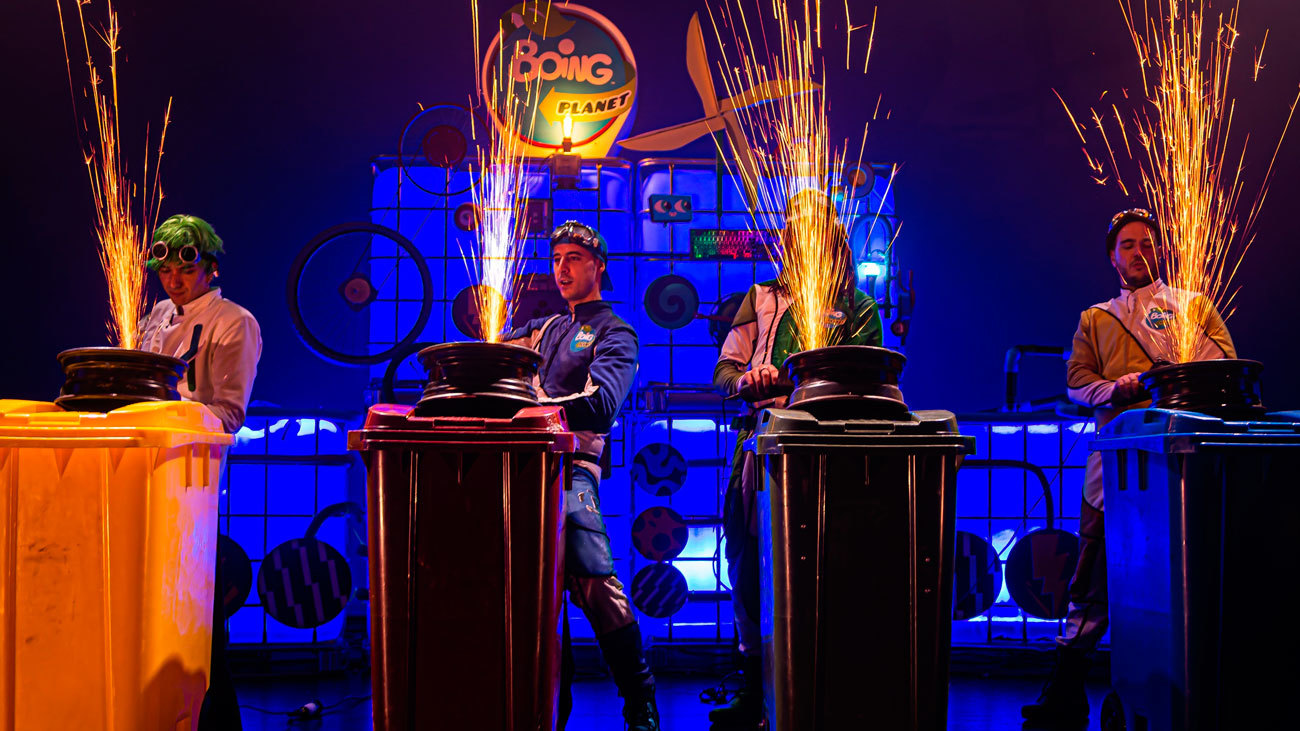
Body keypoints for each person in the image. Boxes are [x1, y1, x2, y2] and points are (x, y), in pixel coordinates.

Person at [1021, 208, 1234, 727]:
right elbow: (1076, 382)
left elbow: (1225, 363)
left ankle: (1185, 673)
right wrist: (1117, 388)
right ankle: (1067, 686)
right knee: (1092, 571)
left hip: (1181, 452)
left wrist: (1173, 375)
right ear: (1113, 257)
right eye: (1128, 245)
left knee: (1180, 567)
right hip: (1115, 457)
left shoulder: (1193, 306)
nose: (1139, 252)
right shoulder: (1096, 317)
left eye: (1146, 243)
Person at [710, 190, 883, 729]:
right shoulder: (758, 297)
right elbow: (722, 374)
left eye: (813, 225)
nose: (800, 235)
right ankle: (752, 680)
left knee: (835, 564)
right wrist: (747, 380)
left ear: (832, 235)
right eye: (793, 226)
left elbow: (879, 378)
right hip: (762, 447)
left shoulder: (857, 304)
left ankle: (835, 676)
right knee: (750, 564)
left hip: (837, 453)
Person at [504, 221, 658, 731]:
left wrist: (537, 410)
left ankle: (640, 699)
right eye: (556, 259)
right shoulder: (544, 329)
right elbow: (493, 357)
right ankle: (546, 707)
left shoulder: (615, 331)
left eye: (574, 257)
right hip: (519, 472)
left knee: (593, 578)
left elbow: (601, 404)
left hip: (571, 473)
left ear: (598, 266)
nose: (562, 268)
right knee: (530, 589)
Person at [138, 213, 262, 731]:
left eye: (185, 268)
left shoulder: (235, 321)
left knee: (200, 623)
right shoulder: (157, 315)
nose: (174, 279)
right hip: (142, 477)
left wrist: (172, 405)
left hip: (191, 484)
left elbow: (230, 413)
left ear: (209, 267)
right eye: (165, 270)